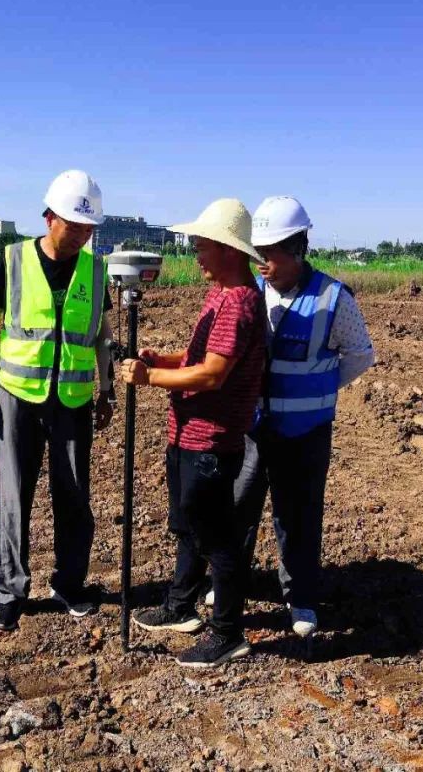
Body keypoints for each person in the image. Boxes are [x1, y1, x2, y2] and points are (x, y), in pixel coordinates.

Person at [121, 198, 266, 668]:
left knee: (215, 536)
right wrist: (163, 360)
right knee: (189, 525)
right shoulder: (220, 293)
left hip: (210, 440)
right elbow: (198, 359)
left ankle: (227, 633)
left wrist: (150, 377)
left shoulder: (239, 302)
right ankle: (181, 605)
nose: (196, 253)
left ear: (229, 250)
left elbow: (213, 375)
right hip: (188, 434)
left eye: (202, 245)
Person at [0, 169, 115, 631]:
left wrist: (107, 389)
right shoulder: (14, 260)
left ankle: (69, 584)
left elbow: (103, 335)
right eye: (75, 226)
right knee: (14, 496)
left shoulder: (96, 270)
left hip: (73, 399)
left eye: (88, 229)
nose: (82, 236)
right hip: (19, 397)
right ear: (50, 217)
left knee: (73, 495)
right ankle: (9, 592)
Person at [233, 196, 375, 638]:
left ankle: (301, 599)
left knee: (298, 516)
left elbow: (359, 355)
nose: (262, 263)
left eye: (270, 253)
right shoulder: (249, 293)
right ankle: (230, 586)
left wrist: (318, 389)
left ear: (297, 248)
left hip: (305, 433)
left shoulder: (333, 298)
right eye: (257, 253)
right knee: (238, 508)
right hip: (253, 429)